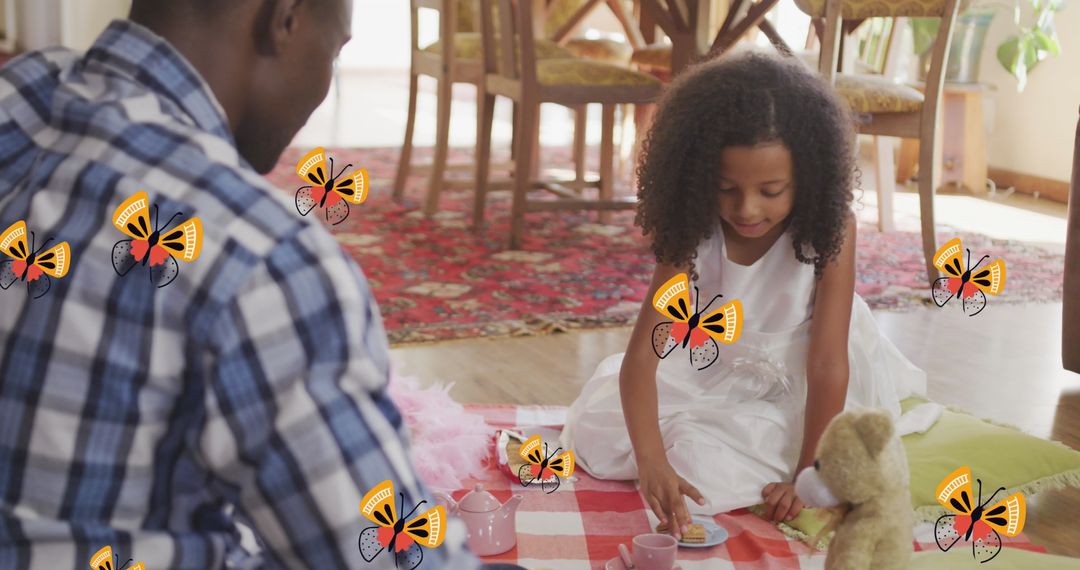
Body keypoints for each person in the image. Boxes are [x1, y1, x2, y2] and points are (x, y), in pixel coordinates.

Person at [0, 1, 478, 568]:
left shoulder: (20, 98)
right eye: (335, 50)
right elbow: (385, 555)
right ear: (286, 19)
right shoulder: (262, 255)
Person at [560, 51, 930, 541]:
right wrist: (651, 462)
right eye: (726, 188)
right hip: (713, 365)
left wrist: (808, 473)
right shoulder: (691, 231)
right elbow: (642, 360)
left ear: (810, 180)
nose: (747, 208)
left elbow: (826, 366)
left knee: (711, 465)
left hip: (809, 381)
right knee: (604, 433)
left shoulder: (830, 230)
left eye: (772, 190)